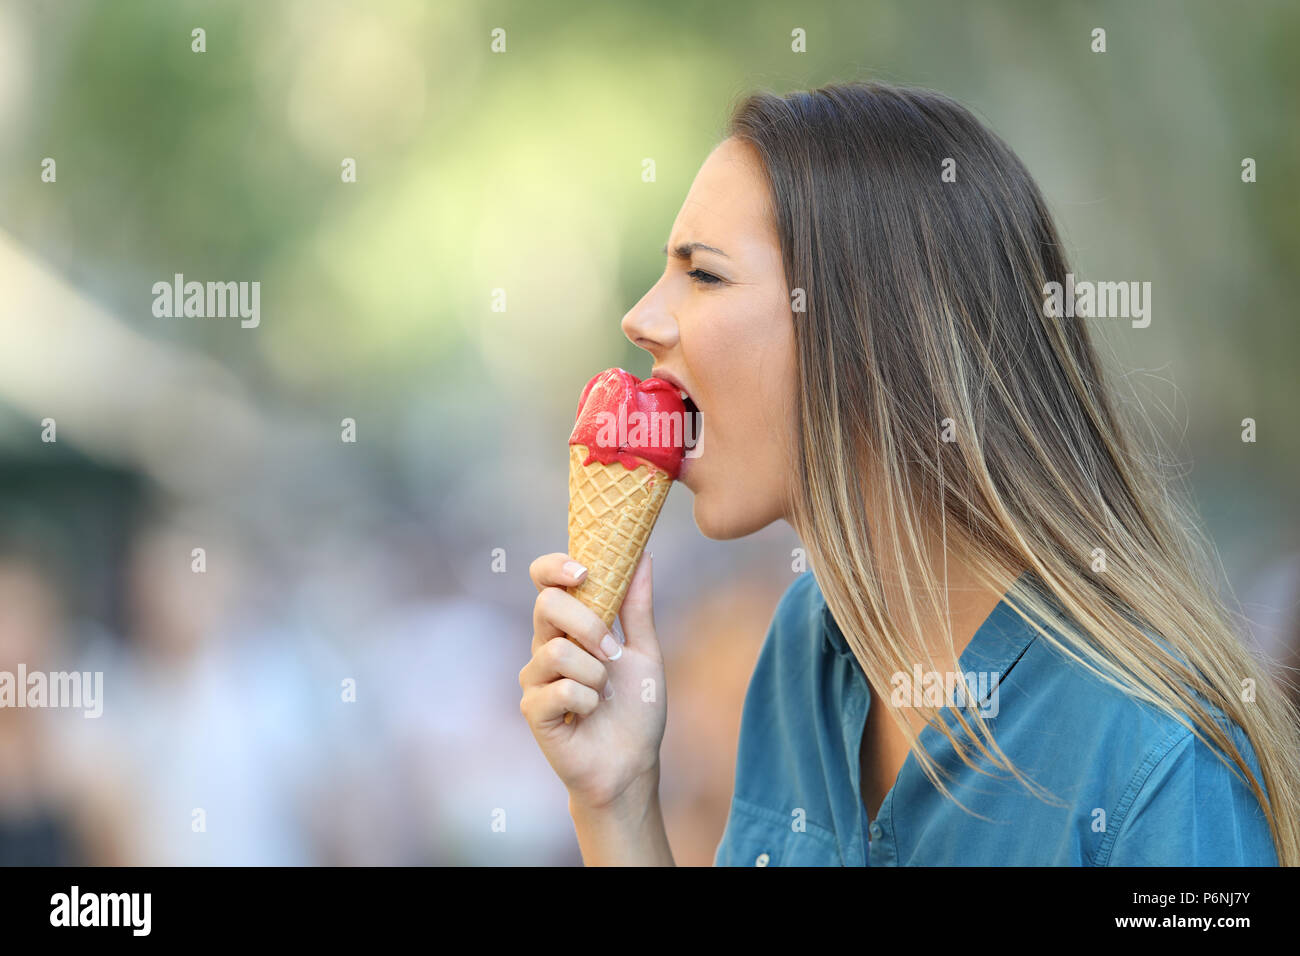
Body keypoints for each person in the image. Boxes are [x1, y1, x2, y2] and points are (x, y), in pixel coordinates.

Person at [518, 81, 1297, 865]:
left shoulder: (1158, 770)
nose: (641, 318)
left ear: (872, 338)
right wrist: (614, 799)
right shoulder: (804, 654)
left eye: (704, 275)